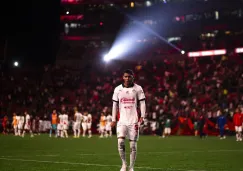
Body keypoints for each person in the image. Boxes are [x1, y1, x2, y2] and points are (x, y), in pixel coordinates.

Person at [111, 69, 146, 171]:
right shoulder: (117, 89)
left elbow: (142, 103)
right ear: (123, 77)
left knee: (133, 145)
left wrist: (142, 116)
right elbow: (114, 105)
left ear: (133, 77)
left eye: (129, 76)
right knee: (120, 142)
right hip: (121, 121)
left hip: (133, 121)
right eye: (125, 76)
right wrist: (113, 119)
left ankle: (131, 167)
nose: (127, 78)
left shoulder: (138, 88)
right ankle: (124, 164)